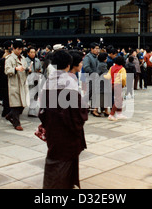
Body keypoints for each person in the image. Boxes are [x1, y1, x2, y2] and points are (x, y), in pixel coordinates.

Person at [39, 49, 88, 189]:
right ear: (68, 64)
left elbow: (42, 106)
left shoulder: (49, 79)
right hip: (67, 128)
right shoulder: (69, 81)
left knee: (55, 156)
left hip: (53, 125)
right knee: (64, 158)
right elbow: (77, 110)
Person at [4, 40, 29, 131]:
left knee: (22, 104)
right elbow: (7, 71)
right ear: (13, 48)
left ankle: (9, 115)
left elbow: (25, 68)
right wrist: (15, 69)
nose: (19, 51)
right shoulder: (9, 58)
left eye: (21, 49)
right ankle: (16, 123)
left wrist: (27, 70)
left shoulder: (23, 58)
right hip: (14, 83)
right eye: (18, 49)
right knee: (15, 105)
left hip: (22, 83)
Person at [104, 56, 127, 121]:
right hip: (118, 84)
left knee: (120, 99)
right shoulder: (122, 69)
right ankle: (111, 114)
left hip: (112, 84)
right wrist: (123, 84)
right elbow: (123, 78)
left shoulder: (112, 67)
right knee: (118, 100)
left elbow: (108, 76)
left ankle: (119, 113)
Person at [26, 47, 42, 117]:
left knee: (35, 95)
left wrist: (40, 70)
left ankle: (32, 110)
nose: (33, 54)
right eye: (31, 52)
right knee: (28, 95)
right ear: (28, 53)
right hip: (28, 80)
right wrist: (27, 70)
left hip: (36, 79)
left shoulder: (37, 60)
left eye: (34, 52)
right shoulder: (25, 60)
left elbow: (41, 68)